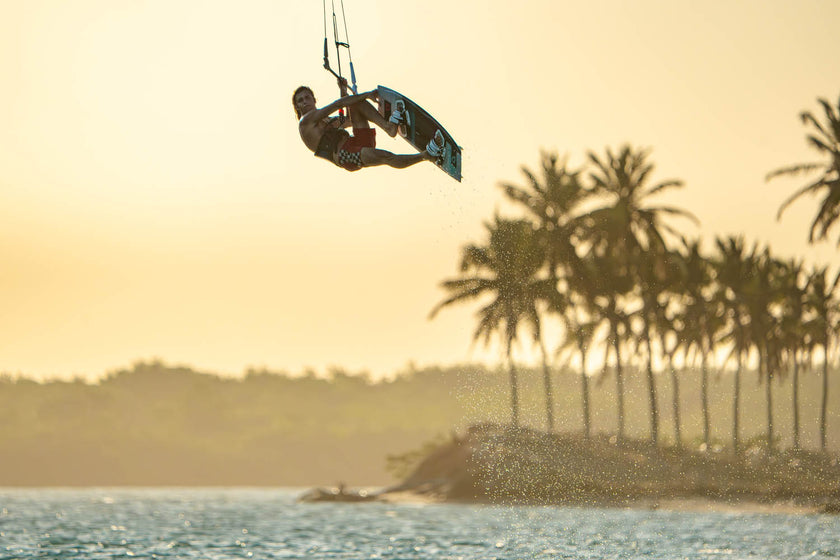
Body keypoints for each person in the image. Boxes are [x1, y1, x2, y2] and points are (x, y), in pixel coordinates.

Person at [292, 79, 444, 172]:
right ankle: (426, 156)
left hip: (355, 142)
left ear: (314, 99)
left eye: (307, 97)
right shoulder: (305, 122)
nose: (305, 101)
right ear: (297, 107)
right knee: (387, 157)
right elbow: (338, 104)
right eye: (300, 100)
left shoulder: (324, 121)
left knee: (356, 104)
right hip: (346, 156)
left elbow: (349, 119)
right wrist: (368, 94)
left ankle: (389, 127)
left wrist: (344, 90)